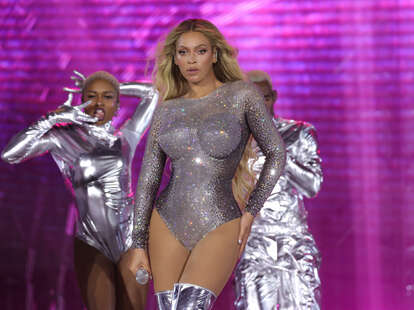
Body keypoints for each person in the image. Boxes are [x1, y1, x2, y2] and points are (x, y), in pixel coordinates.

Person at [123, 19, 286, 310]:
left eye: (199, 51)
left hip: (221, 221)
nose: (191, 60)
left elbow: (276, 153)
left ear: (214, 54)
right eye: (183, 52)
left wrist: (251, 211)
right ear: (174, 59)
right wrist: (138, 242)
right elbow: (148, 179)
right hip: (166, 223)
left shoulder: (242, 96)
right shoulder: (167, 109)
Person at [1, 71, 159, 310]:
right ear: (81, 100)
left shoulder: (126, 137)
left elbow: (152, 93)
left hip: (131, 242)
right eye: (91, 96)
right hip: (91, 242)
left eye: (107, 97)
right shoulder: (64, 137)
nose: (98, 103)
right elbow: (10, 155)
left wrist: (116, 86)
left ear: (117, 105)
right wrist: (50, 120)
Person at [234, 70, 323, 310]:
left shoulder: (299, 133)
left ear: (272, 97)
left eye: (262, 98)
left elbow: (312, 186)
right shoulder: (235, 141)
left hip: (293, 240)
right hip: (253, 242)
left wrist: (279, 152)